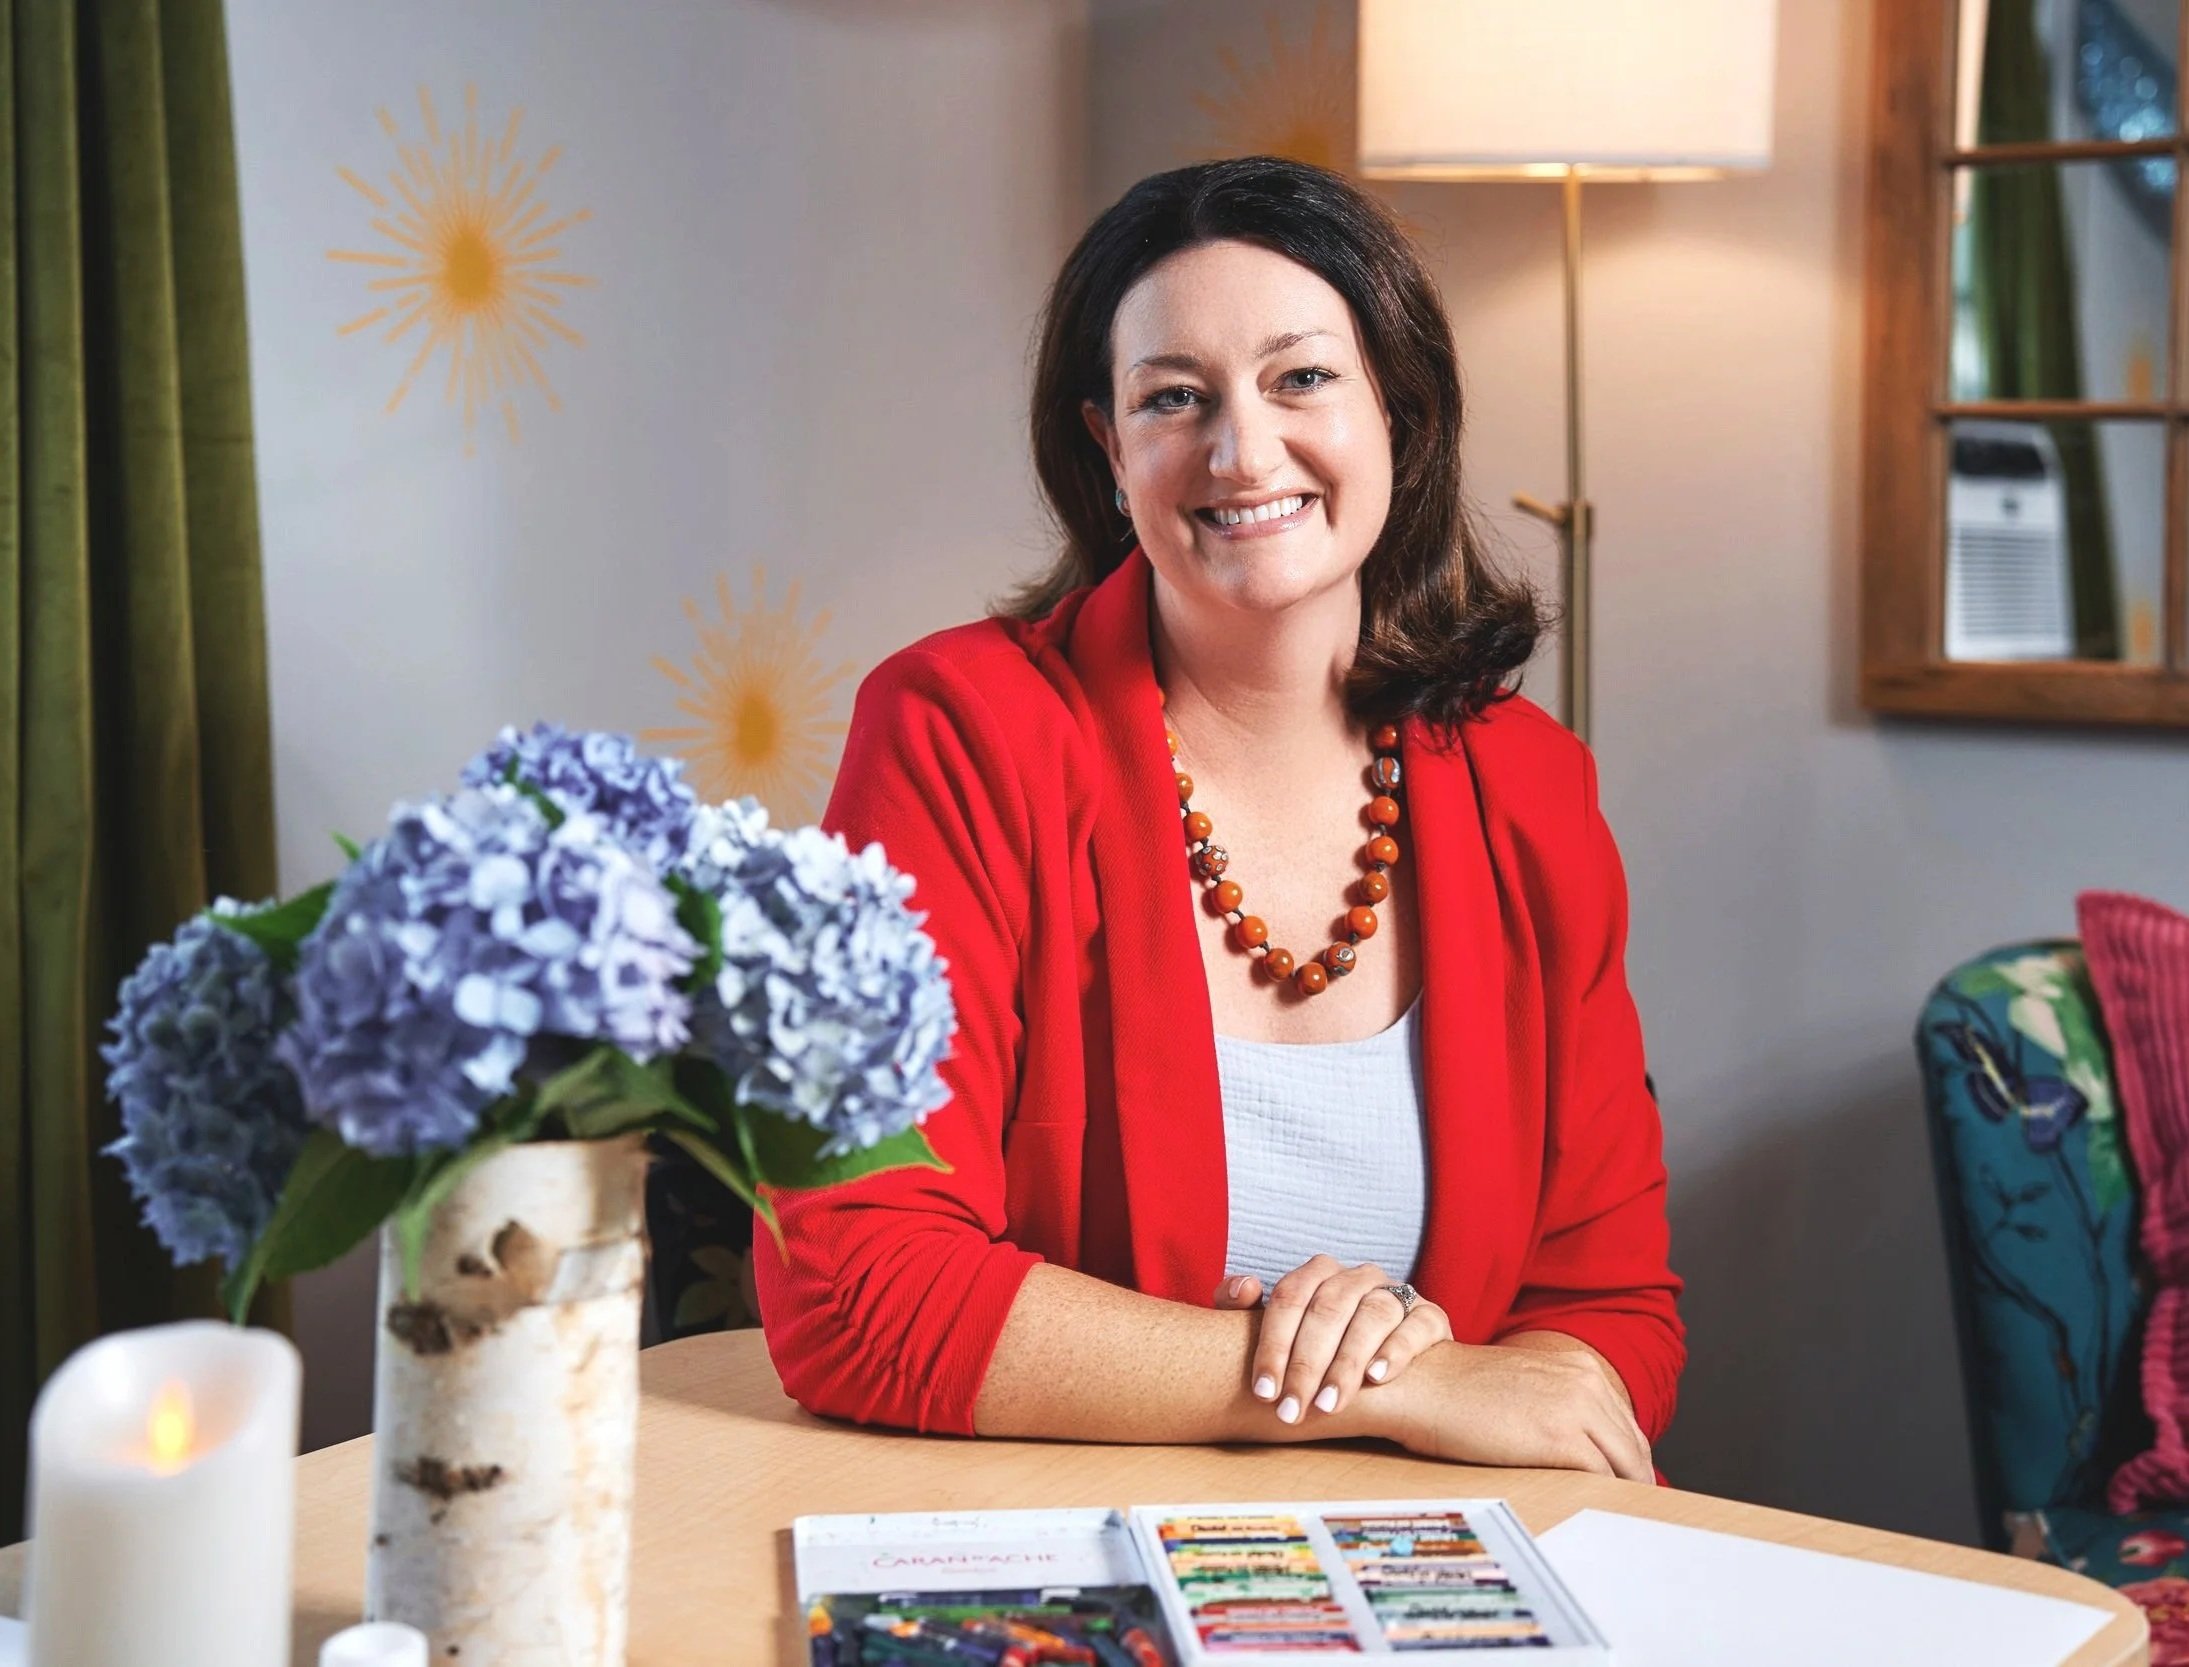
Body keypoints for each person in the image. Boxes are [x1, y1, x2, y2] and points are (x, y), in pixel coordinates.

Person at [753, 156, 1681, 1483]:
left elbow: (1608, 1318)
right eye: (1173, 399)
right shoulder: (955, 732)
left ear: (1398, 412)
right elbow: (850, 1286)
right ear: (1107, 446)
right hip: (1043, 1545)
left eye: (1301, 378)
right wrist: (1396, 1386)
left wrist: (1460, 1393)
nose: (1241, 451)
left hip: (1427, 1574)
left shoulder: (1528, 785)